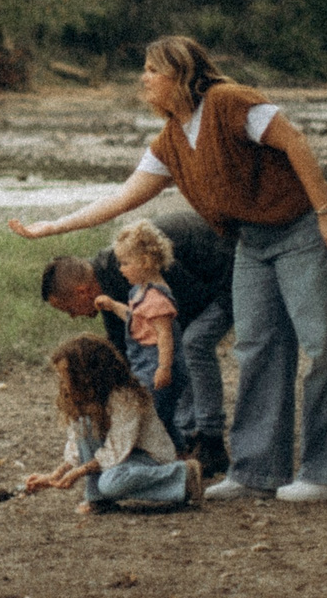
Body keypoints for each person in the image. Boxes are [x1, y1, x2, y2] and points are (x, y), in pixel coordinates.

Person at [10, 35, 327, 505]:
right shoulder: (171, 140)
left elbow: (292, 141)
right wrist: (52, 226)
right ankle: (257, 471)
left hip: (301, 226)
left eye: (152, 70)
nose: (144, 79)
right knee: (257, 347)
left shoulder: (228, 102)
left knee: (321, 345)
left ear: (181, 74)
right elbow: (123, 196)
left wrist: (325, 210)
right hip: (250, 241)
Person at [37, 210, 233, 475]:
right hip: (198, 283)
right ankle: (186, 438)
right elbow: (120, 349)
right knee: (169, 360)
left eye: (69, 309)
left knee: (191, 344)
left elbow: (184, 308)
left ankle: (210, 440)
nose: (73, 317)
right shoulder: (107, 281)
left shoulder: (129, 273)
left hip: (225, 272)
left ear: (81, 291)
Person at [19, 335, 201, 513]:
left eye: (67, 375)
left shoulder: (126, 398)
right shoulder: (86, 401)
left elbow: (118, 447)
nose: (64, 384)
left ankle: (181, 475)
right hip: (118, 460)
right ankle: (98, 498)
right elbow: (79, 443)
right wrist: (55, 475)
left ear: (87, 375)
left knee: (111, 482)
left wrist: (78, 473)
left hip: (146, 458)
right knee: (87, 430)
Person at [95, 217, 178, 403]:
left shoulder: (156, 298)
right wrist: (114, 305)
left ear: (145, 262)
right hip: (142, 361)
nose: (121, 269)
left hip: (154, 362)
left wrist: (164, 368)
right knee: (148, 409)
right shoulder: (138, 291)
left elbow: (165, 335)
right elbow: (136, 320)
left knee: (156, 411)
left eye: (125, 263)